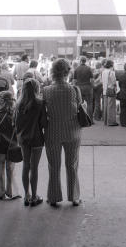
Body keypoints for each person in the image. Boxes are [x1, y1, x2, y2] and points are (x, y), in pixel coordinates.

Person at [43, 59, 83, 206]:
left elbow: (43, 112)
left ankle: (53, 197)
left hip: (52, 131)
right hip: (72, 131)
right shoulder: (74, 89)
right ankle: (74, 197)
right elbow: (79, 106)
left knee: (54, 165)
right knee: (72, 165)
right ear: (67, 72)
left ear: (53, 72)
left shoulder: (46, 90)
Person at [14, 79, 47, 206]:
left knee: (25, 166)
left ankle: (26, 195)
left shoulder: (18, 104)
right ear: (36, 88)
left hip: (23, 139)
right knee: (34, 168)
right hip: (37, 138)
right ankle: (34, 196)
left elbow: (15, 123)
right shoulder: (40, 103)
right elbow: (44, 123)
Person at [0, 91, 21, 200]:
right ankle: (11, 192)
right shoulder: (16, 114)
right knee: (10, 169)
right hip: (12, 145)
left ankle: (0, 192)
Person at [72, 56, 94, 123]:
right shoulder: (89, 68)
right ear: (85, 61)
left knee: (80, 104)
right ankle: (90, 120)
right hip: (87, 87)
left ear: (80, 61)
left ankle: (82, 120)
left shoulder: (76, 69)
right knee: (89, 103)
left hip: (79, 88)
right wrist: (91, 86)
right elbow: (92, 80)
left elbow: (74, 81)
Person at [101, 59, 118, 126]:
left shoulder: (103, 71)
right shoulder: (111, 72)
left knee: (105, 106)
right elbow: (114, 82)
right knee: (111, 106)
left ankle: (105, 121)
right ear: (111, 65)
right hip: (110, 90)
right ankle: (111, 122)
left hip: (104, 90)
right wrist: (115, 87)